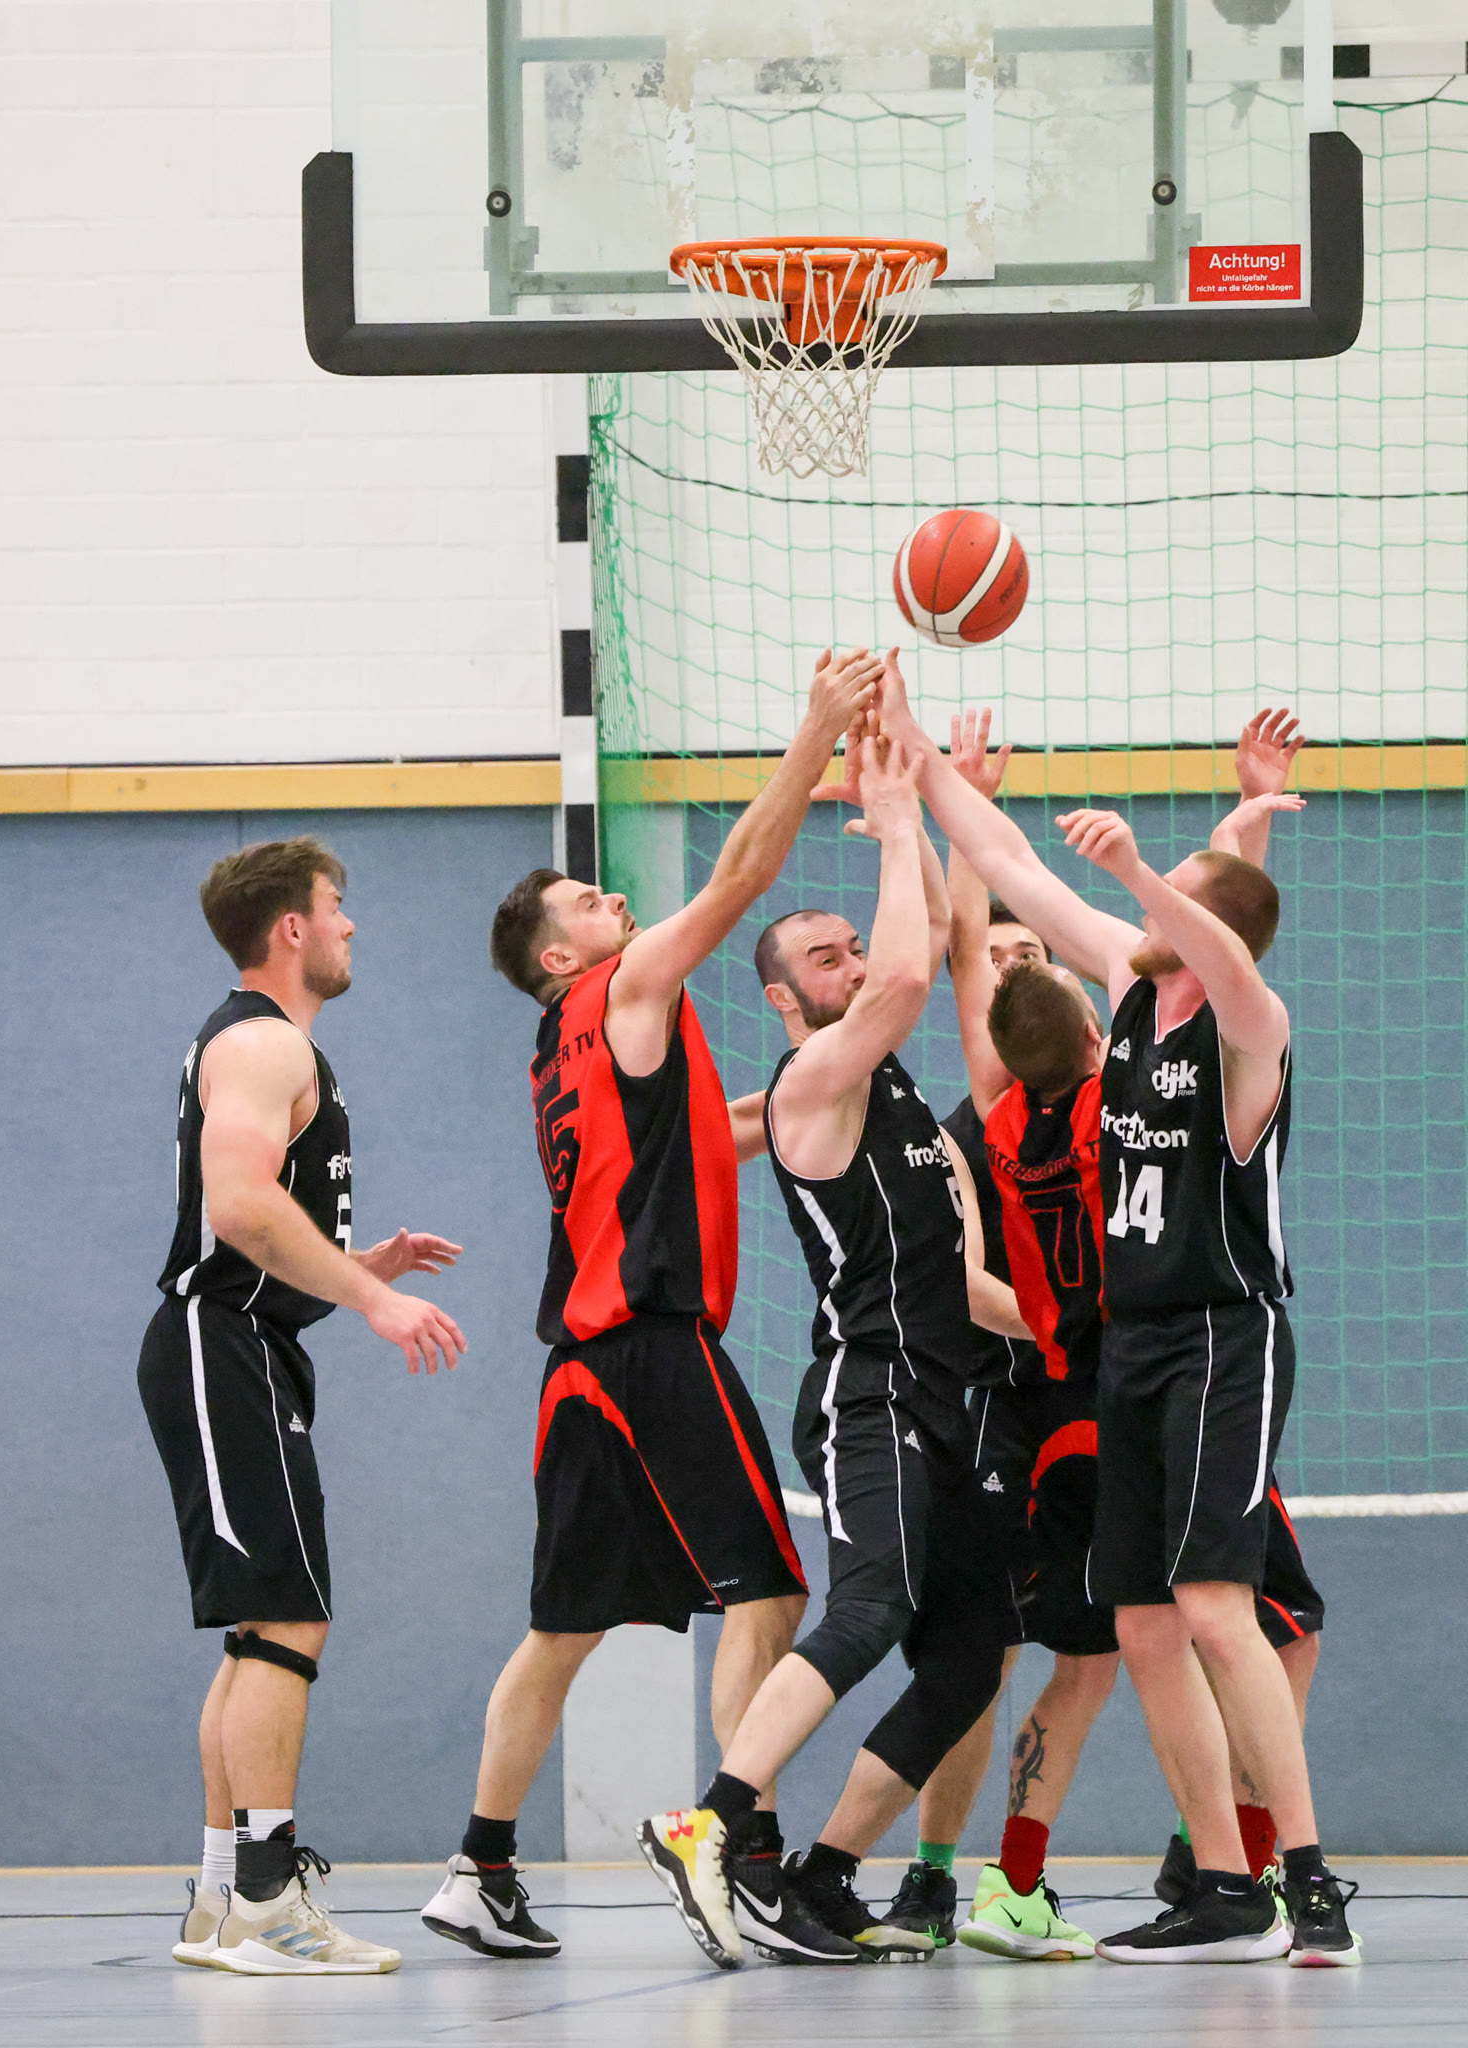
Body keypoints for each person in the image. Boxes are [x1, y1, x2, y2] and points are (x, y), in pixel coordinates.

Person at [877, 664, 1358, 1966]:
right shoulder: (1131, 995)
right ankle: (1222, 1887)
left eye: (1170, 903)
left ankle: (1306, 1879)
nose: (1140, 913)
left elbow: (1224, 944)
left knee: (1218, 1604)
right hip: (1129, 1349)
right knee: (1142, 1621)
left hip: (1221, 1335)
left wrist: (1155, 866)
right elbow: (1006, 863)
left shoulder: (1249, 1027)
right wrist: (919, 755)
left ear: (1203, 929)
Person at [418, 648, 882, 1961]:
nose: (614, 896)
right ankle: (745, 1858)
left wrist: (830, 1073)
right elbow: (740, 878)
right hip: (653, 1347)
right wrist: (815, 734)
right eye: (589, 897)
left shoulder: (561, 1049)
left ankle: (478, 1864)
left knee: (560, 1629)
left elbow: (702, 1136)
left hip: (578, 1368)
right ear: (559, 950)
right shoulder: (622, 987)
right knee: (771, 1594)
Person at [639, 723, 1026, 1969]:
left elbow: (931, 943)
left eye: (853, 943)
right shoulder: (817, 1075)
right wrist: (902, 812)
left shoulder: (896, 1089)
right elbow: (910, 972)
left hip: (956, 1400)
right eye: (823, 955)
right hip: (876, 1392)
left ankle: (821, 1874)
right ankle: (712, 1821)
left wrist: (945, 811)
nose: (853, 961)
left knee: (967, 1659)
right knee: (867, 1605)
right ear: (782, 997)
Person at [138, 837, 466, 1976]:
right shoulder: (263, 1040)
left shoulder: (266, 1044)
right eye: (337, 906)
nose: (350, 924)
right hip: (220, 1343)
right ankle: (267, 1903)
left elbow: (255, 1230)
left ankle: (220, 1900)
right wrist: (374, 1297)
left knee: (258, 1626)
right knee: (287, 1616)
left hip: (245, 1342)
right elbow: (236, 1205)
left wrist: (353, 1264)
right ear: (291, 927)